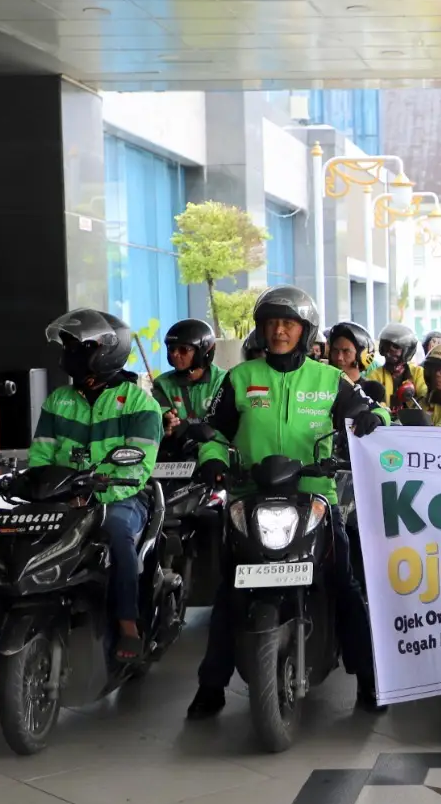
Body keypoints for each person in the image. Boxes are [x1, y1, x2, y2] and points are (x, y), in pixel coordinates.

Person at [186, 286, 389, 718]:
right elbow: (214, 432)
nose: (279, 331)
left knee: (344, 584)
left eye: (289, 324)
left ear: (304, 330)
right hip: (249, 498)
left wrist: (374, 419)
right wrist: (212, 460)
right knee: (232, 589)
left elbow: (374, 412)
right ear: (261, 329)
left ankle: (371, 679)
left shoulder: (329, 379)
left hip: (315, 497)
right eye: (272, 323)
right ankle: (211, 685)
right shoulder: (239, 378)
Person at [0, 309, 163, 714]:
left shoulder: (139, 402)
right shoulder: (59, 400)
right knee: (11, 559)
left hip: (119, 497)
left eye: (80, 346)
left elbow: (138, 465)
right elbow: (42, 455)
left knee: (117, 536)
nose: (70, 354)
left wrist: (97, 490)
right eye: (69, 346)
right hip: (63, 501)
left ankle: (128, 626)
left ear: (109, 350)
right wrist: (34, 485)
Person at [153, 318, 226, 439]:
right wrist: (166, 422)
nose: (175, 354)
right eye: (172, 349)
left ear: (202, 351)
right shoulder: (162, 384)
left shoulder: (223, 381)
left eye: (183, 350)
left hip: (216, 446)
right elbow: (160, 414)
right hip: (177, 447)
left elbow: (224, 422)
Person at [367, 322, 425, 412]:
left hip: (413, 420)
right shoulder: (375, 375)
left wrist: (414, 397)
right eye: (387, 345)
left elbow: (425, 394)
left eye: (396, 346)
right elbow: (371, 400)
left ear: (407, 350)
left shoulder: (417, 372)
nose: (390, 350)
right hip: (385, 419)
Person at [325, 321, 374, 397]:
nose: (339, 357)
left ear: (361, 355)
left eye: (346, 351)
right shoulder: (322, 388)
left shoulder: (373, 389)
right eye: (335, 351)